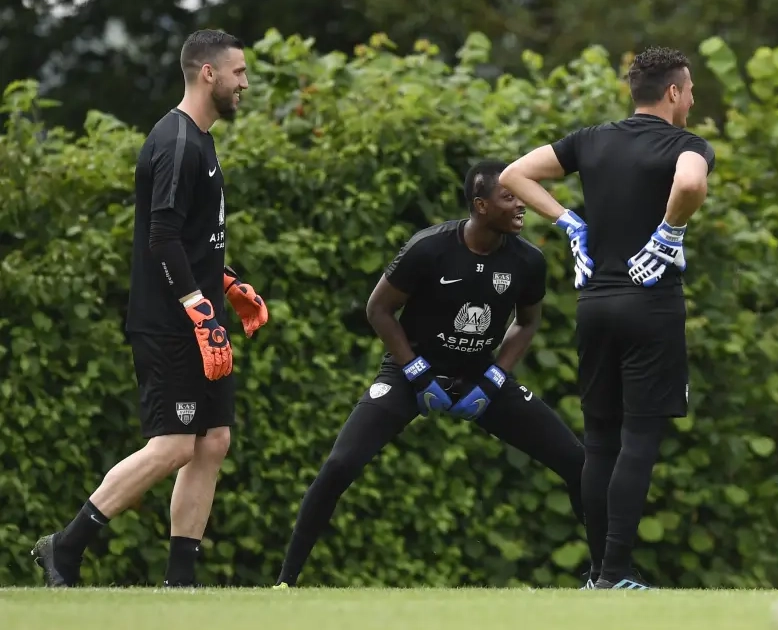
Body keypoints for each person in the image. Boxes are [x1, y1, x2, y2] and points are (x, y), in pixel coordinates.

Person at [273, 159, 586, 587]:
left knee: (577, 462)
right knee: (340, 465)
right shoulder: (429, 247)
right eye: (509, 197)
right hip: (410, 372)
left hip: (480, 377)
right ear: (480, 205)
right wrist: (416, 372)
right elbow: (378, 310)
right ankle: (285, 581)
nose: (521, 205)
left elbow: (527, 323)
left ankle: (606, 576)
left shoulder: (528, 260)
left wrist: (496, 377)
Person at [31, 29, 267, 588]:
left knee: (213, 442)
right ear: (208, 73)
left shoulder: (201, 140)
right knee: (173, 446)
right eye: (238, 72)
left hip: (197, 317)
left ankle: (180, 581)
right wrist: (200, 312)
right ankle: (65, 547)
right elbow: (161, 239)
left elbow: (189, 239)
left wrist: (227, 283)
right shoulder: (177, 142)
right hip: (170, 325)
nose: (245, 83)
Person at [498, 46, 715, 590]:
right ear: (673, 92)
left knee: (599, 441)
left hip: (594, 304)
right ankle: (616, 573)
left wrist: (569, 222)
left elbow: (514, 174)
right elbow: (691, 184)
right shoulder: (686, 145)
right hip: (651, 305)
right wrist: (670, 231)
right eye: (690, 91)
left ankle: (599, 573)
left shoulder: (590, 140)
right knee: (638, 438)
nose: (692, 101)